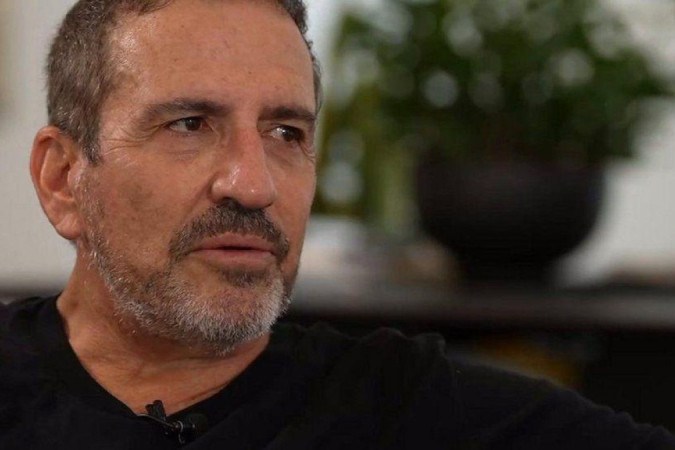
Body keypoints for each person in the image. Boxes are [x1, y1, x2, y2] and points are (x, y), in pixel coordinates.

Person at [1, 0, 673, 448]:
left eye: (285, 133)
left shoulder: (414, 409)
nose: (255, 185)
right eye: (189, 124)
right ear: (63, 178)